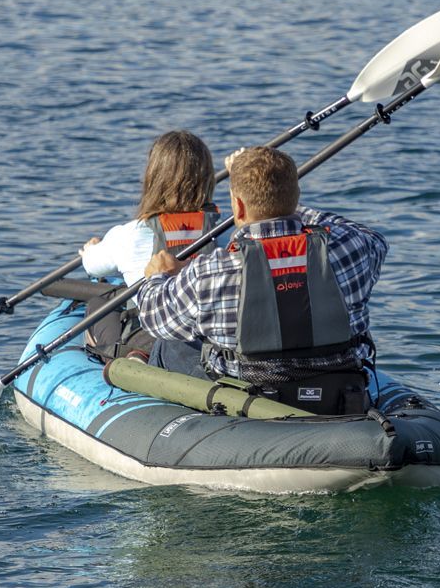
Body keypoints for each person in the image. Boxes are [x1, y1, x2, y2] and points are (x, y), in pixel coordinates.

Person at [136, 145, 388, 414]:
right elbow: (369, 236)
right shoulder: (352, 248)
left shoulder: (209, 271)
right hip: (336, 390)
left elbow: (152, 316)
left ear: (239, 206)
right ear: (296, 196)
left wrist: (157, 276)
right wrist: (286, 201)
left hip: (250, 399)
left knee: (169, 344)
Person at [79, 130, 220, 360]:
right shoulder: (222, 232)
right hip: (209, 334)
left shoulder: (128, 235)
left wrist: (91, 249)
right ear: (208, 179)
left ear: (152, 179)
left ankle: (130, 360)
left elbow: (92, 266)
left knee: (97, 305)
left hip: (155, 334)